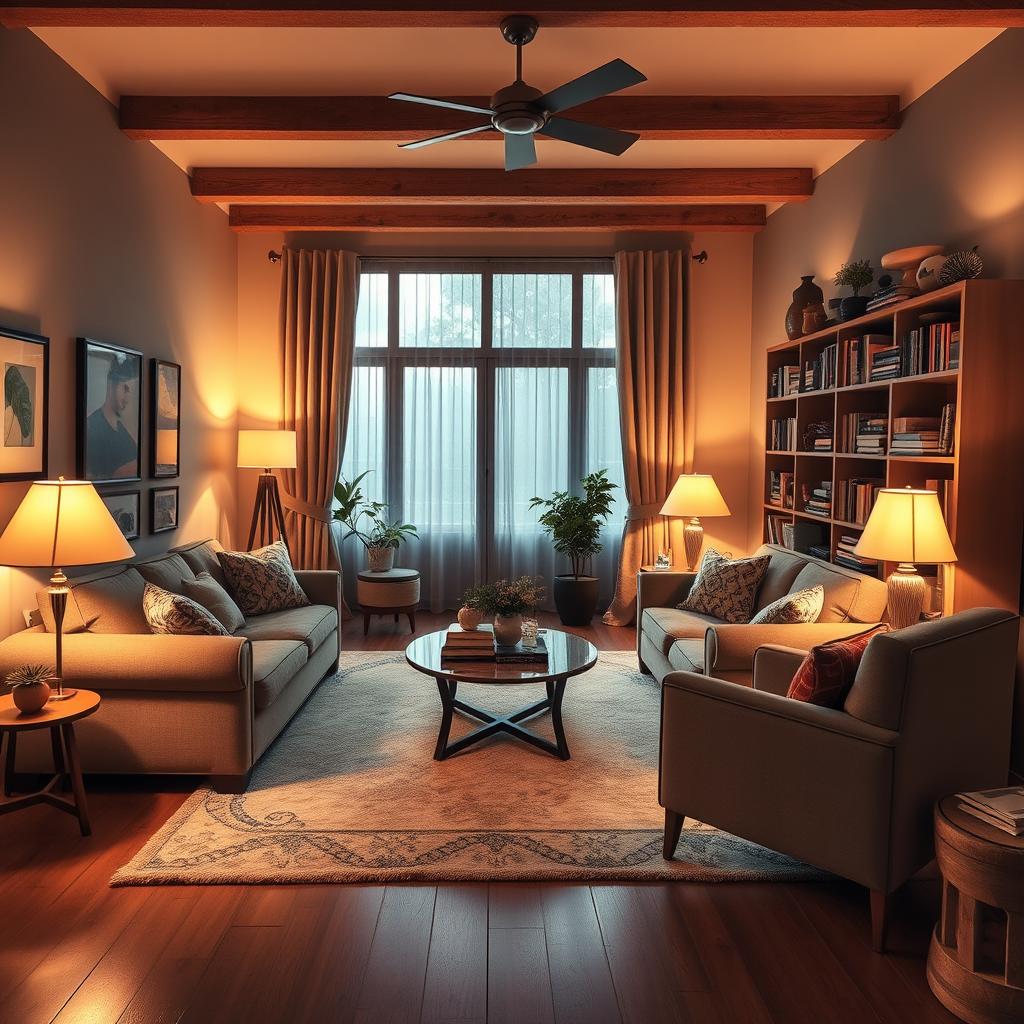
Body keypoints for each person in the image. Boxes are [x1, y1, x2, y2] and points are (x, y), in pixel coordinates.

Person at [86, 354, 138, 479]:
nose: (127, 397)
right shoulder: (93, 426)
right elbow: (91, 475)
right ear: (111, 386)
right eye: (124, 388)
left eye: (130, 391)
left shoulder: (121, 429)